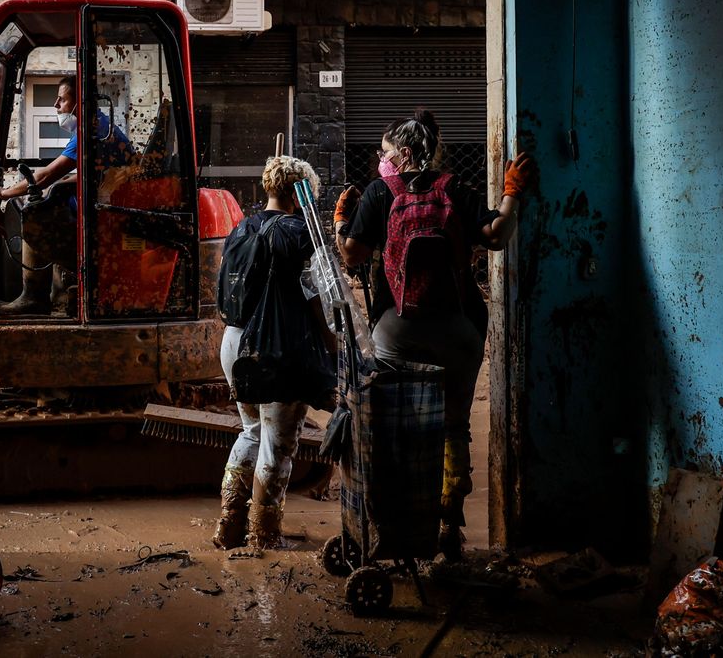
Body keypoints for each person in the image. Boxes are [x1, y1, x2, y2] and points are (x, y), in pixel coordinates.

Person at [334, 110, 535, 561]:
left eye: (386, 153)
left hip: (395, 329)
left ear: (405, 153)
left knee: (394, 424)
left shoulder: (379, 192)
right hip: (458, 328)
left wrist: (341, 223)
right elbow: (496, 236)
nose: (382, 160)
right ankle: (448, 525)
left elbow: (352, 256)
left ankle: (397, 523)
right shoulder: (454, 188)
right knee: (454, 426)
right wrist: (512, 192)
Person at [213, 155, 338, 551]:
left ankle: (229, 524)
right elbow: (319, 298)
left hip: (235, 343)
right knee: (278, 442)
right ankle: (265, 534)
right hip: (276, 347)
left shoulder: (241, 228)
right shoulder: (300, 233)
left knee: (252, 431)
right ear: (299, 194)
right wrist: (334, 347)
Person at [0, 76, 131, 315]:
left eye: (62, 99)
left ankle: (33, 297)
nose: (56, 105)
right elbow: (96, 175)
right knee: (50, 202)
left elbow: (45, 176)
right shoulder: (101, 126)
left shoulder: (91, 131)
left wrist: (4, 192)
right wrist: (61, 183)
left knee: (35, 214)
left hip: (104, 216)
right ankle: (59, 294)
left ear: (80, 101)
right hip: (107, 206)